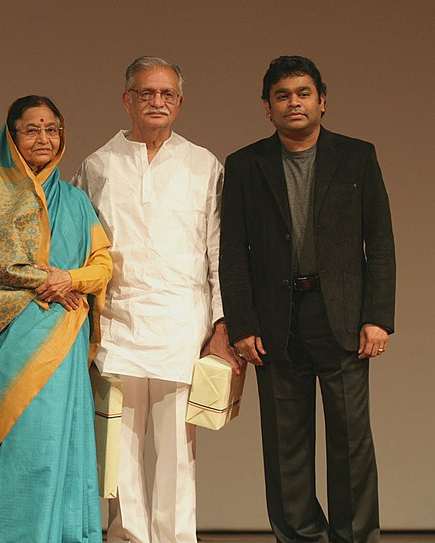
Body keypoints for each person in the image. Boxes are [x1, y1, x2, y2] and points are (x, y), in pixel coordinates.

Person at [219, 55, 395, 543]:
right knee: (284, 443)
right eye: (281, 95)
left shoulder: (357, 155)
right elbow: (232, 253)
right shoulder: (245, 165)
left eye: (302, 93)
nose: (292, 102)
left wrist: (377, 317)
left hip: (341, 314)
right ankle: (298, 536)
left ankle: (354, 537)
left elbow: (379, 241)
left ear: (322, 99)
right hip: (275, 320)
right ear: (266, 106)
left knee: (350, 439)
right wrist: (242, 324)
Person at [72, 56, 242, 543]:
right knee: (118, 448)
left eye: (166, 94)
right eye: (146, 93)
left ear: (180, 103)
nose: (157, 102)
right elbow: (84, 245)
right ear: (127, 100)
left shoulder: (202, 163)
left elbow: (217, 248)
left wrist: (221, 325)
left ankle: (174, 538)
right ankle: (128, 536)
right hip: (117, 323)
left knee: (177, 449)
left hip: (182, 324)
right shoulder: (97, 164)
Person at [0, 95, 113, 542]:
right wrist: (41, 281)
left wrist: (70, 278)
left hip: (61, 348)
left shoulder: (77, 201)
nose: (43, 138)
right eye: (31, 129)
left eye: (52, 129)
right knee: (11, 453)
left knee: (55, 450)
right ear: (12, 137)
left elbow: (103, 265)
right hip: (8, 344)